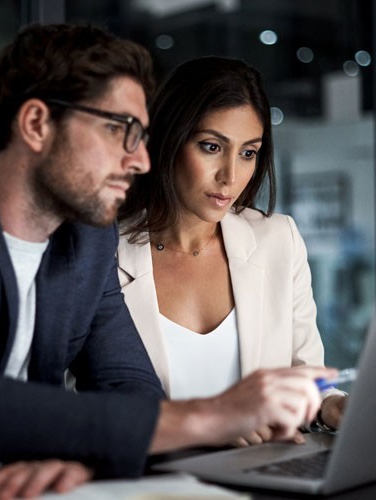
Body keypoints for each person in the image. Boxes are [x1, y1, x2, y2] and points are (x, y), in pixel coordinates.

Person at [0, 24, 333, 499]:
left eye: (142, 137)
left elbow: (127, 384)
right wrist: (215, 415)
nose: (141, 159)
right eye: (121, 132)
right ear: (36, 124)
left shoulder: (86, 238)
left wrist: (85, 451)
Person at [117, 56, 347, 446]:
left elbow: (307, 374)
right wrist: (204, 428)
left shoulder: (278, 239)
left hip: (260, 475)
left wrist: (332, 406)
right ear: (169, 139)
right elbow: (81, 402)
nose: (231, 176)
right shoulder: (104, 253)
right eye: (211, 146)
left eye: (248, 153)